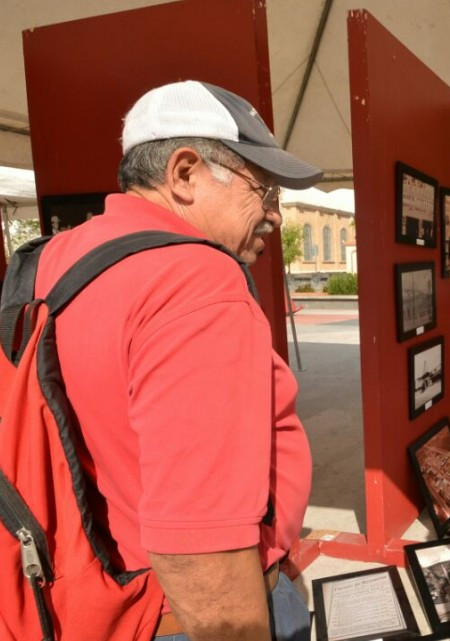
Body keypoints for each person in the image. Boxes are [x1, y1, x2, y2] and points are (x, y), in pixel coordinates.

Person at [32, 80, 321, 641]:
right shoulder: (197, 281)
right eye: (263, 191)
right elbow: (200, 539)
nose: (275, 218)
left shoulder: (62, 256)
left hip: (106, 596)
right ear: (185, 174)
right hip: (191, 614)